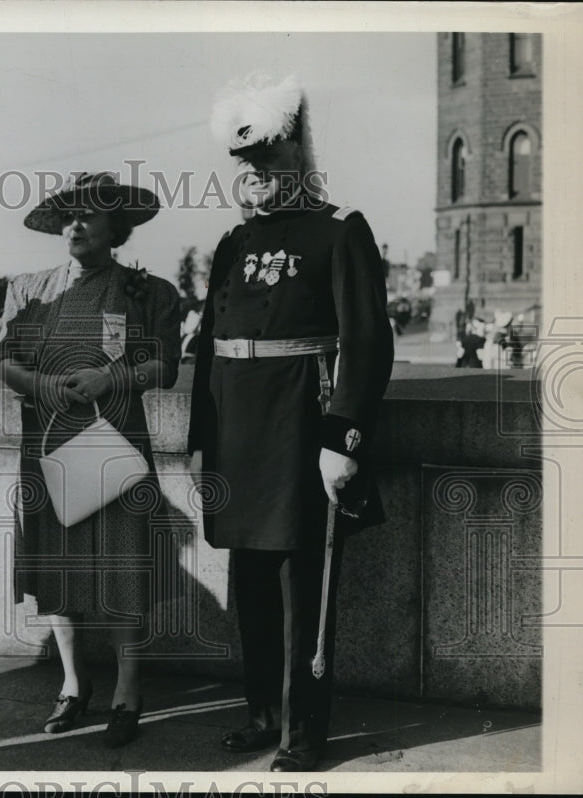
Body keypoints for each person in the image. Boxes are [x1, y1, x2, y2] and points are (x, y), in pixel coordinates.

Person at [188, 73, 394, 771]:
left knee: (299, 590)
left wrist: (343, 440)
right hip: (238, 438)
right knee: (249, 580)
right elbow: (209, 347)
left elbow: (366, 341)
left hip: (300, 435)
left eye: (271, 165)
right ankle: (262, 714)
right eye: (246, 168)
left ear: (301, 163)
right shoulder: (231, 244)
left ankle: (303, 737)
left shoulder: (340, 232)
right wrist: (198, 440)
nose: (256, 179)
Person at [0, 172, 181, 748]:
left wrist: (113, 377)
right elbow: (5, 361)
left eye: (91, 214)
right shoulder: (29, 288)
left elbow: (167, 365)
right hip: (49, 445)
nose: (76, 224)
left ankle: (129, 688)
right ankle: (73, 685)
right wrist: (43, 385)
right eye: (68, 215)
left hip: (115, 447)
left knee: (123, 565)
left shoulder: (149, 292)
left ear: (115, 226)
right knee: (59, 566)